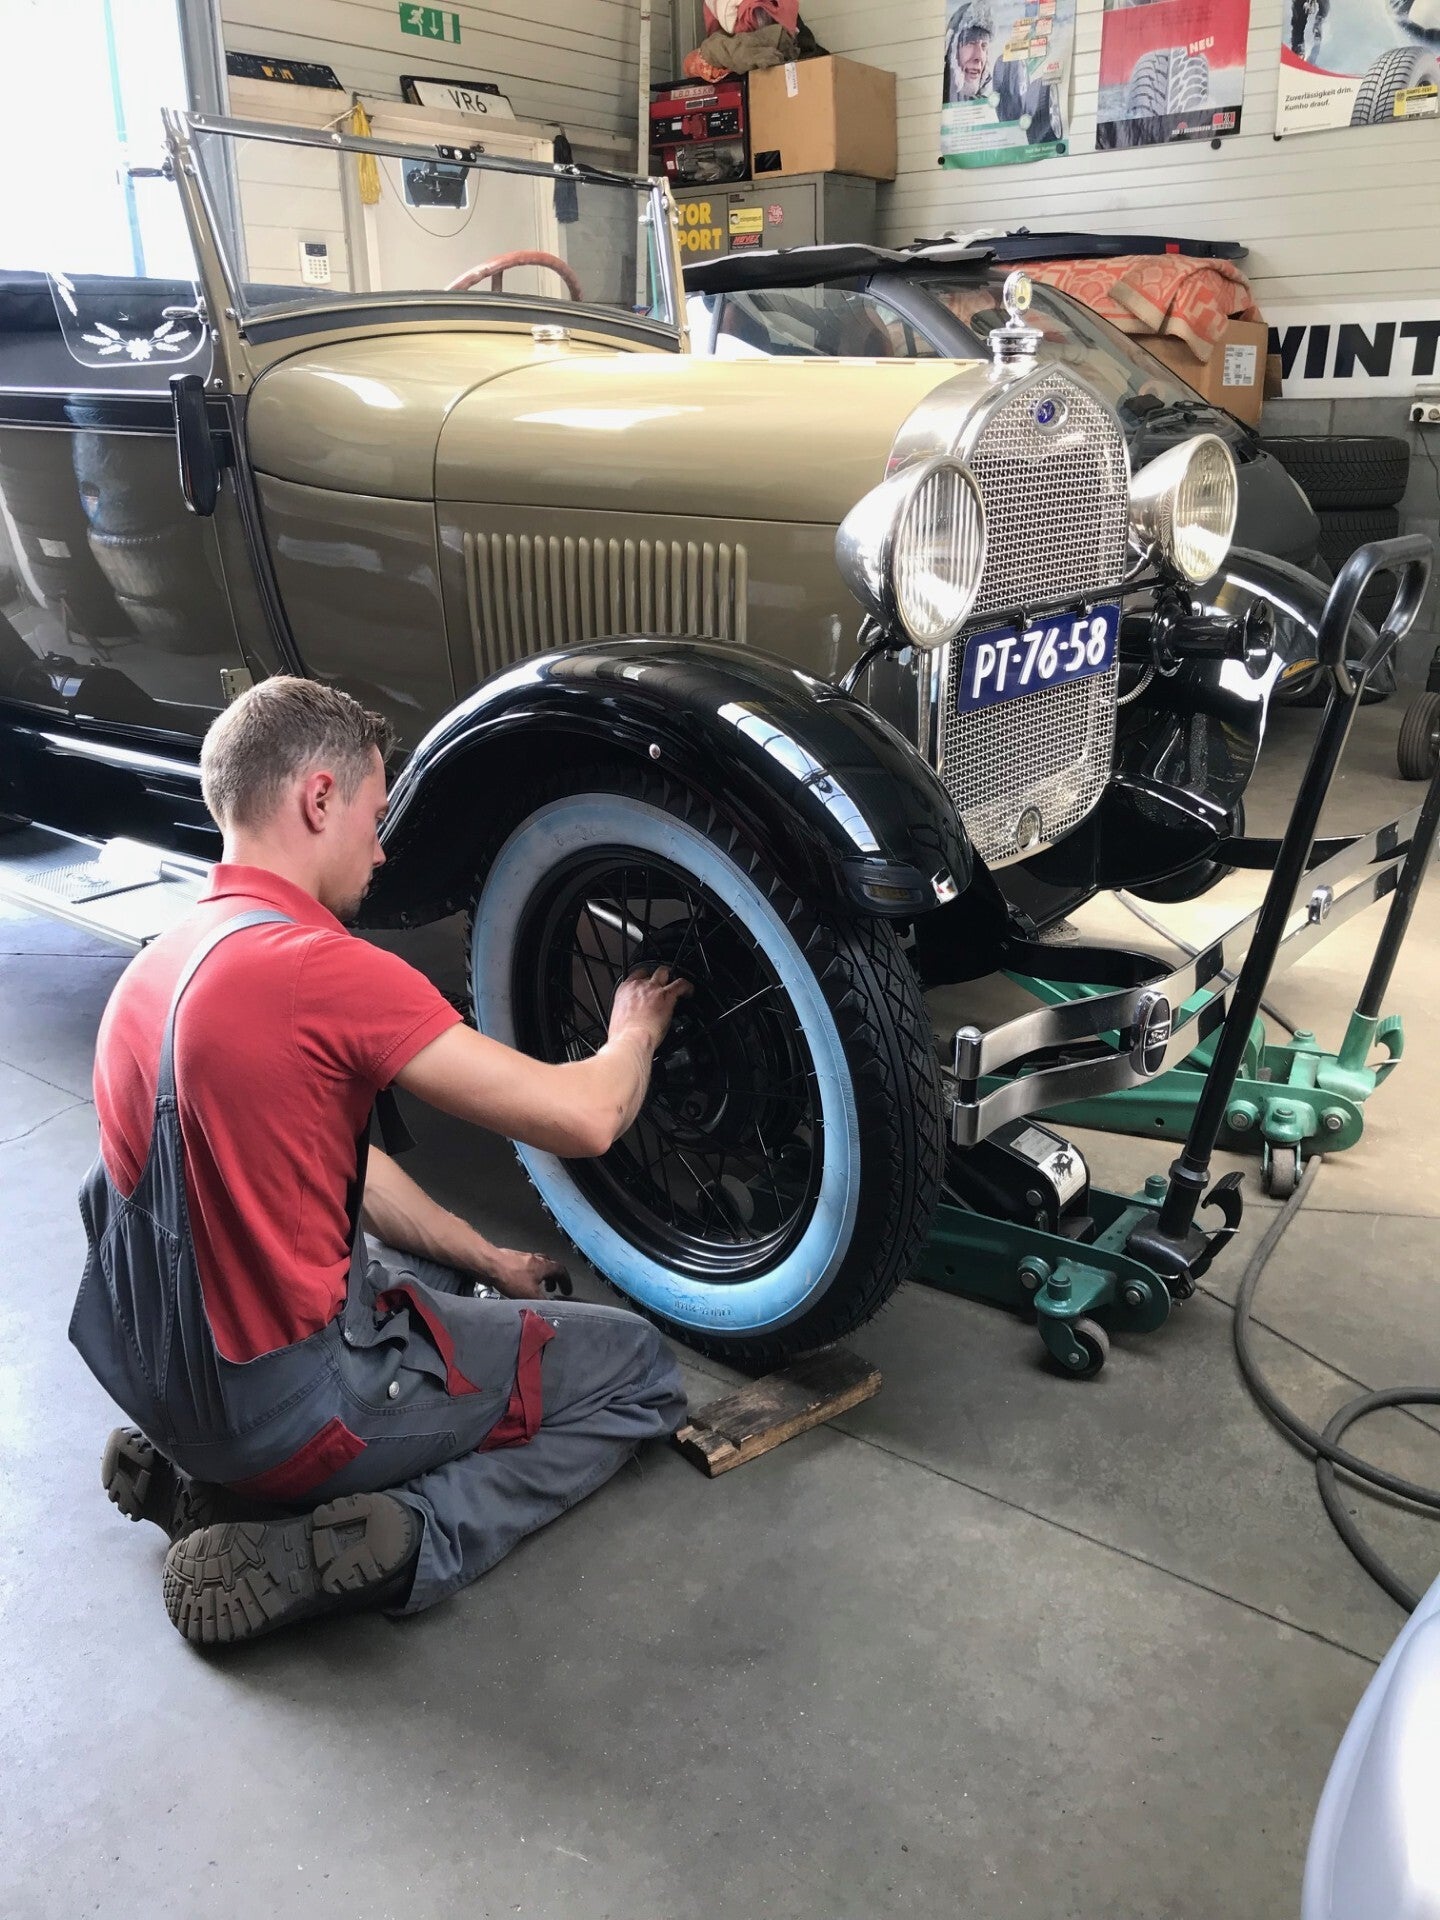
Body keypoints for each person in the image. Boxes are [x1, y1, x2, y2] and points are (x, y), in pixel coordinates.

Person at [75, 676, 690, 1646]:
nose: (383, 845)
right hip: (293, 1411)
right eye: (373, 812)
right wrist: (633, 1032)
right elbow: (588, 1118)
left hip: (162, 1372)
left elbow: (335, 1171)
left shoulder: (158, 964)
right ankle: (406, 1538)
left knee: (435, 1280)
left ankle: (205, 1474)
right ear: (318, 798)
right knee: (642, 1371)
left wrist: (484, 1258)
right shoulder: (324, 973)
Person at [943, 2, 995, 103]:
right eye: (971, 43)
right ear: (952, 50)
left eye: (984, 46)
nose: (979, 57)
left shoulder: (988, 108)